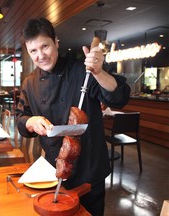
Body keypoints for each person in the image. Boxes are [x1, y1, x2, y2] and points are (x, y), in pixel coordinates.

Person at [16, 18, 130, 215]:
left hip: (90, 171)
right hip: (52, 173)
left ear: (56, 42)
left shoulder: (82, 71)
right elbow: (21, 119)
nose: (41, 55)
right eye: (33, 50)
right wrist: (32, 122)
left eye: (45, 46)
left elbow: (119, 97)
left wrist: (99, 72)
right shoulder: (29, 83)